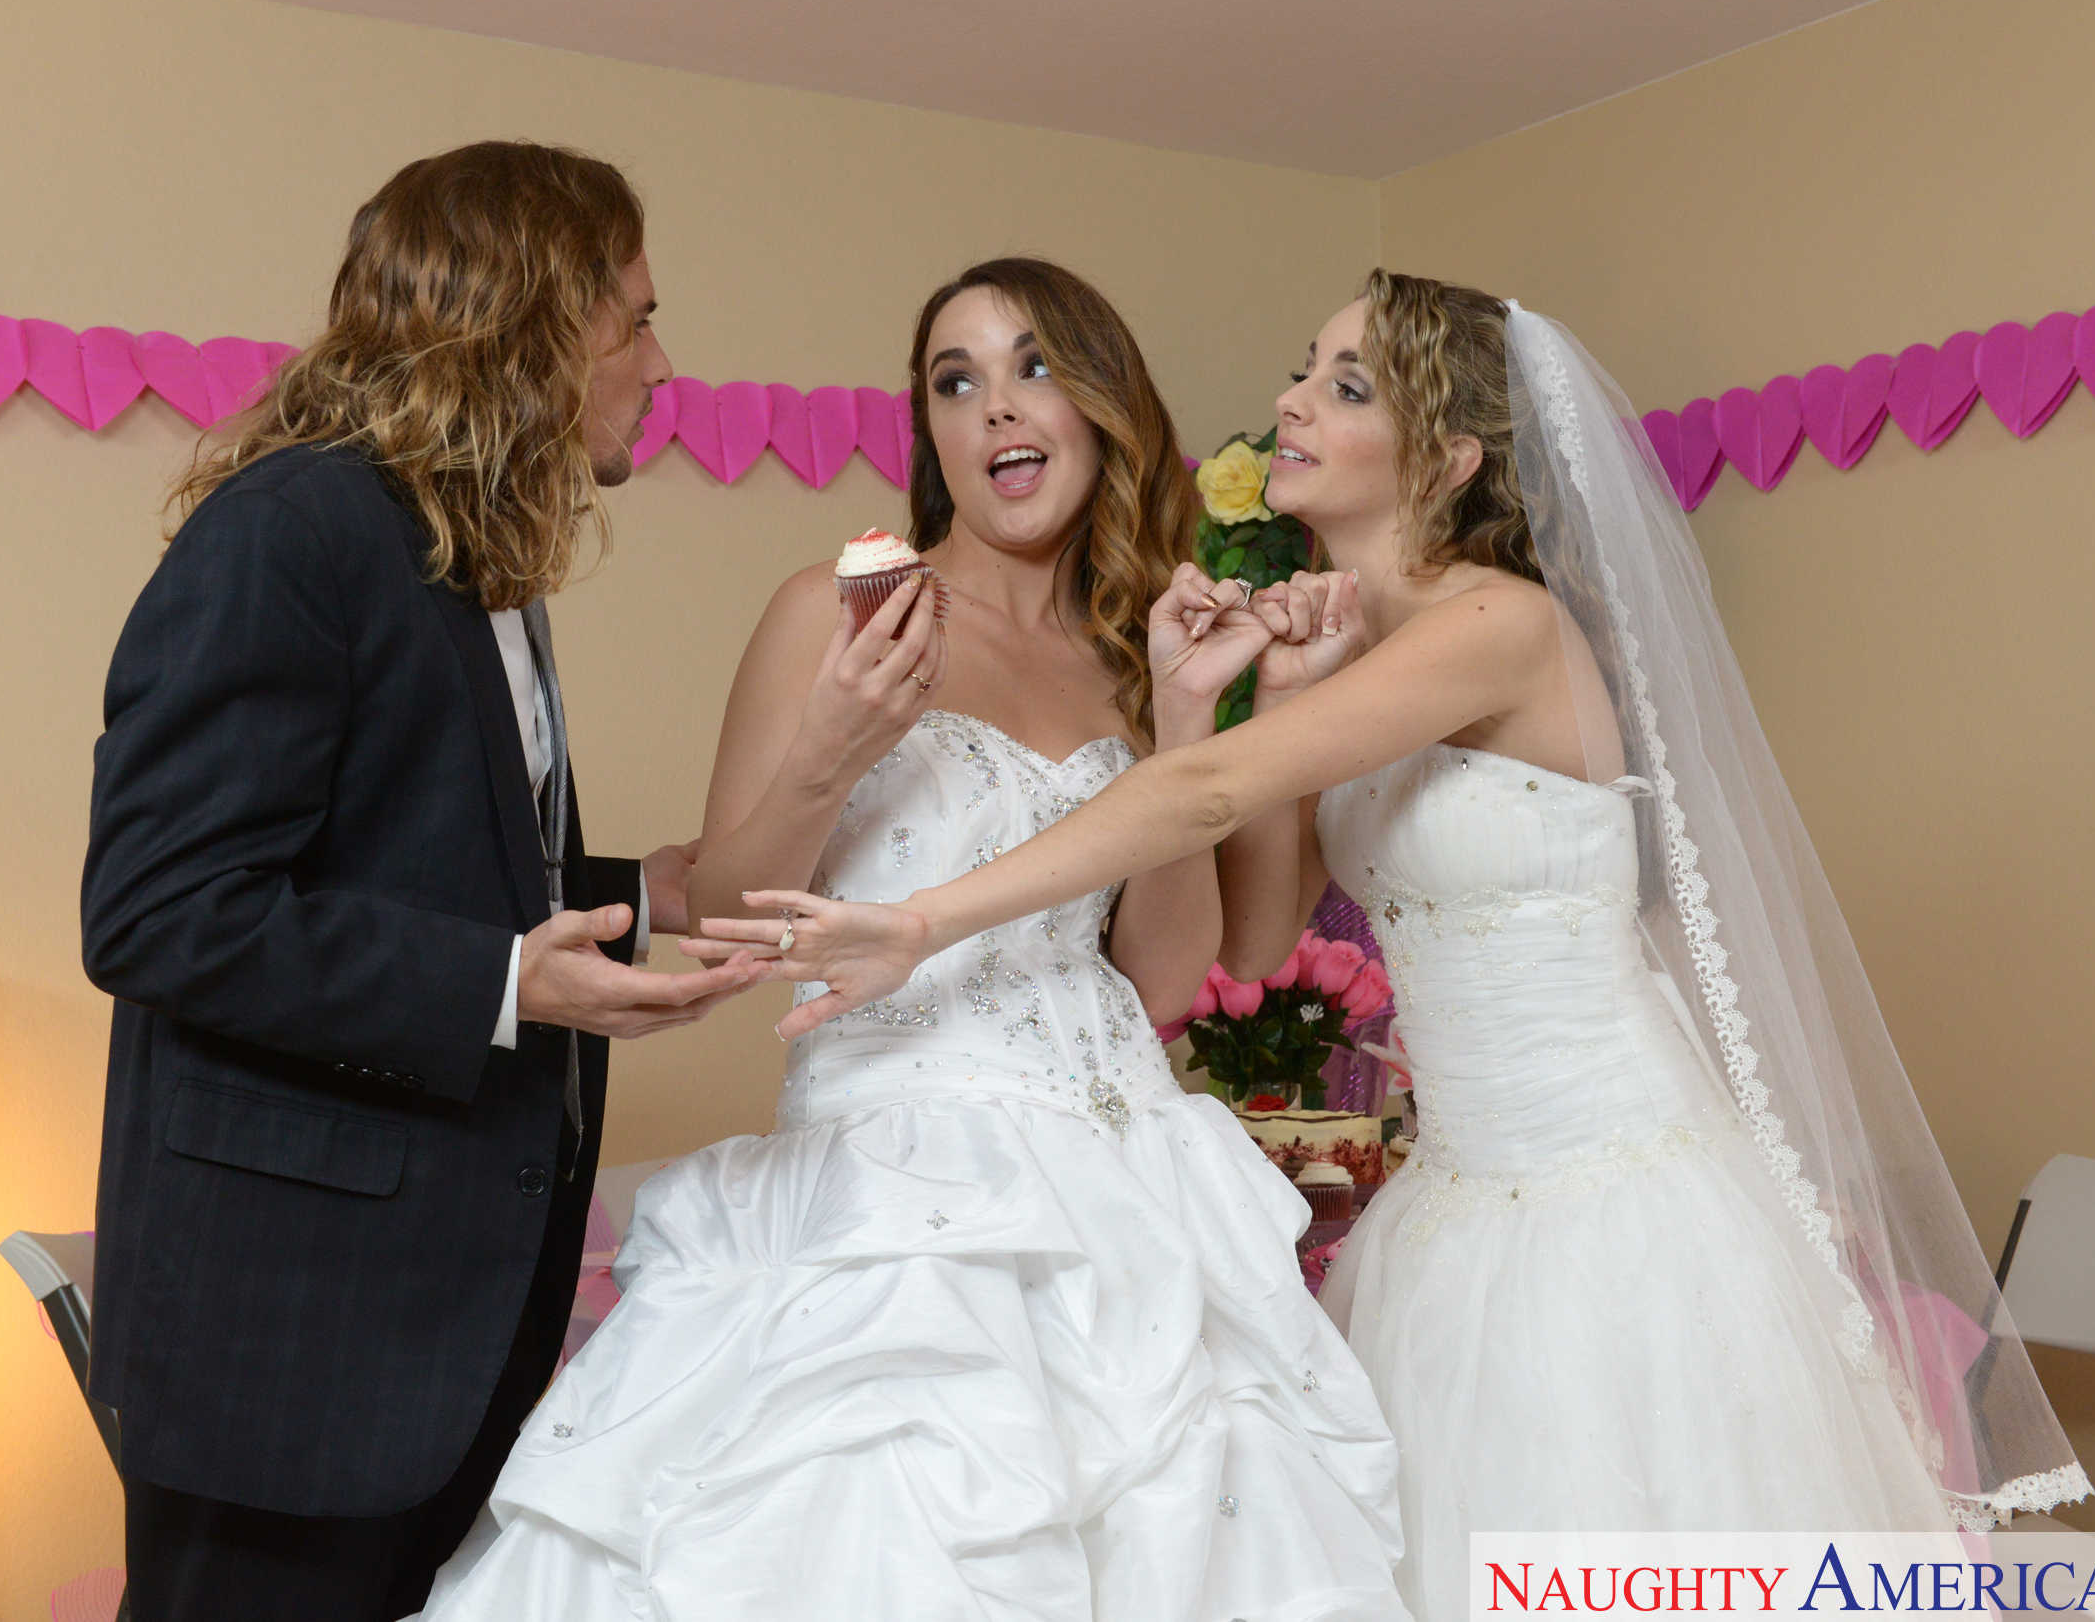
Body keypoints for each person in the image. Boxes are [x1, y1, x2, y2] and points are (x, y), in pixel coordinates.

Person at [701, 272, 2092, 1615]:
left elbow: (1203, 792)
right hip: (1458, 1210)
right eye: (1304, 371)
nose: (1291, 403)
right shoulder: (1366, 653)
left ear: (1450, 459)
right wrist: (1281, 695)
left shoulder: (1501, 625)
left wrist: (927, 921)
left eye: (1347, 385)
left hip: (1611, 1186)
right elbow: (1263, 925)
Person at [414, 257, 1410, 1621]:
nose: (995, 406)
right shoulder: (833, 613)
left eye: (1033, 368)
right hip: (891, 1193)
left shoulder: (1134, 650)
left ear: (1103, 408)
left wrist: (1184, 722)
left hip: (1129, 1195)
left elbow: (1162, 981)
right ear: (932, 433)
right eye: (955, 381)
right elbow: (733, 912)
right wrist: (832, 745)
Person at [80, 141, 765, 1622]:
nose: (662, 365)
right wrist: (509, 983)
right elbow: (161, 910)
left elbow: (405, 860)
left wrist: (637, 893)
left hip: (430, 1343)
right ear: (532, 329)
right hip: (290, 1353)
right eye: (637, 321)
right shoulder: (292, 530)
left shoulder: (470, 556)